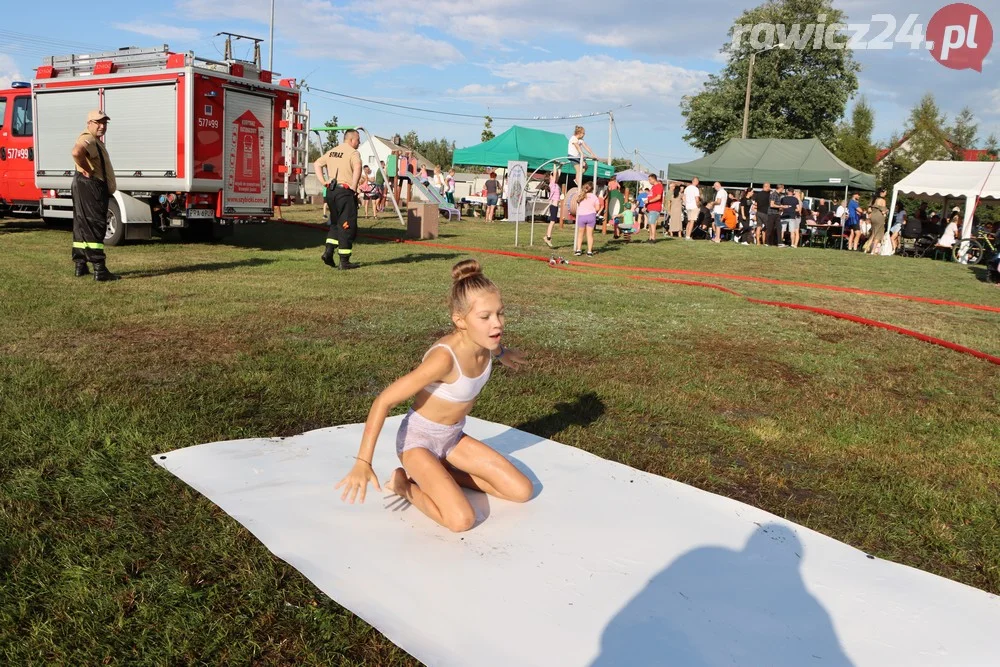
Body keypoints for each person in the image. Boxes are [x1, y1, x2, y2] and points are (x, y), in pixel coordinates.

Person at [335, 260, 532, 532]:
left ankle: (444, 472)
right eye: (485, 317)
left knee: (521, 491)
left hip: (452, 438)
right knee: (461, 520)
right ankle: (405, 485)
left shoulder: (486, 344)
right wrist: (362, 461)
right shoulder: (443, 359)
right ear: (460, 321)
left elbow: (493, 345)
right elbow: (384, 400)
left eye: (500, 313)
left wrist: (503, 353)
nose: (497, 323)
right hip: (418, 443)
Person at [70, 109, 120, 281]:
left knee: (81, 225)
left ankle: (80, 265)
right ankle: (100, 269)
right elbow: (77, 152)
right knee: (95, 225)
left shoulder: (94, 140)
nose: (102, 126)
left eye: (104, 123)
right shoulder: (88, 138)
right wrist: (88, 169)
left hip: (85, 186)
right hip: (92, 187)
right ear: (89, 124)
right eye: (98, 122)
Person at [314, 129, 363, 270]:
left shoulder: (333, 151)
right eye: (358, 140)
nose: (359, 143)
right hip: (344, 191)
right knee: (347, 225)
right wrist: (354, 187)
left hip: (331, 191)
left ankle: (328, 252)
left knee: (335, 223)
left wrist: (323, 182)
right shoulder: (353, 153)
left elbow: (317, 163)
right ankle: (344, 261)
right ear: (352, 139)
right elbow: (358, 167)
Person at [574, 181, 600, 256]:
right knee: (590, 235)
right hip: (591, 216)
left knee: (580, 234)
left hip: (581, 216)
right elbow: (597, 208)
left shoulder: (581, 196)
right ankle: (589, 251)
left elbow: (578, 204)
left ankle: (578, 250)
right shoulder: (594, 197)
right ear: (592, 189)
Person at [543, 172, 563, 248]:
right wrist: (555, 166)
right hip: (553, 206)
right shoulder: (551, 184)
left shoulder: (555, 184)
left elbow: (558, 174)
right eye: (552, 176)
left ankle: (547, 237)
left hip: (555, 206)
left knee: (553, 222)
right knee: (552, 222)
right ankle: (548, 238)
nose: (553, 176)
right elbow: (555, 175)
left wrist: (560, 166)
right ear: (550, 178)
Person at [867, 188, 888, 254]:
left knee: (873, 233)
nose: (886, 194)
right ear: (881, 193)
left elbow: (869, 210)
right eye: (885, 192)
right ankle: (873, 251)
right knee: (878, 234)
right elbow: (883, 212)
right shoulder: (883, 200)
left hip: (873, 216)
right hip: (879, 217)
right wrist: (887, 211)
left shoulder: (873, 199)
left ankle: (866, 249)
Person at [645, 174, 663, 242]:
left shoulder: (658, 186)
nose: (649, 181)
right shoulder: (653, 187)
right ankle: (650, 237)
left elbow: (658, 197)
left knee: (652, 223)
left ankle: (653, 238)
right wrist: (646, 205)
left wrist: (649, 201)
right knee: (650, 223)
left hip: (655, 208)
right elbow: (650, 196)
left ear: (653, 179)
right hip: (650, 207)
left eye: (649, 179)